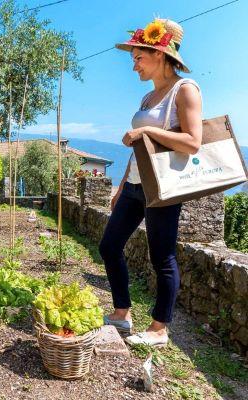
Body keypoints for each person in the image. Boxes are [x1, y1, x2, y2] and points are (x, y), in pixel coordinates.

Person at [99, 19, 202, 347]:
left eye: (138, 58)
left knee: (162, 257)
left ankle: (159, 328)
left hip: (162, 188)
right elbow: (139, 150)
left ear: (159, 54)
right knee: (109, 245)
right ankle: (122, 313)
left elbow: (192, 141)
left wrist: (145, 131)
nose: (134, 66)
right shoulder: (148, 97)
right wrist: (119, 187)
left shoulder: (185, 89)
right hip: (133, 185)